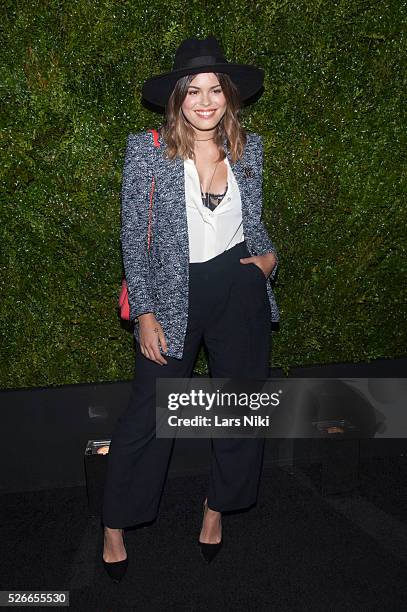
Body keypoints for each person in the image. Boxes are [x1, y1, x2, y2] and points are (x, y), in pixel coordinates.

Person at [101, 35, 280, 582]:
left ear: (229, 97)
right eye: (193, 90)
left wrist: (268, 260)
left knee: (240, 409)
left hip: (238, 288)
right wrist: (148, 311)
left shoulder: (250, 152)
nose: (205, 101)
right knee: (147, 416)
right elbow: (135, 238)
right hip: (173, 295)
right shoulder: (147, 150)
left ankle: (215, 509)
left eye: (215, 90)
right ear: (177, 98)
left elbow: (255, 225)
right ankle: (115, 523)